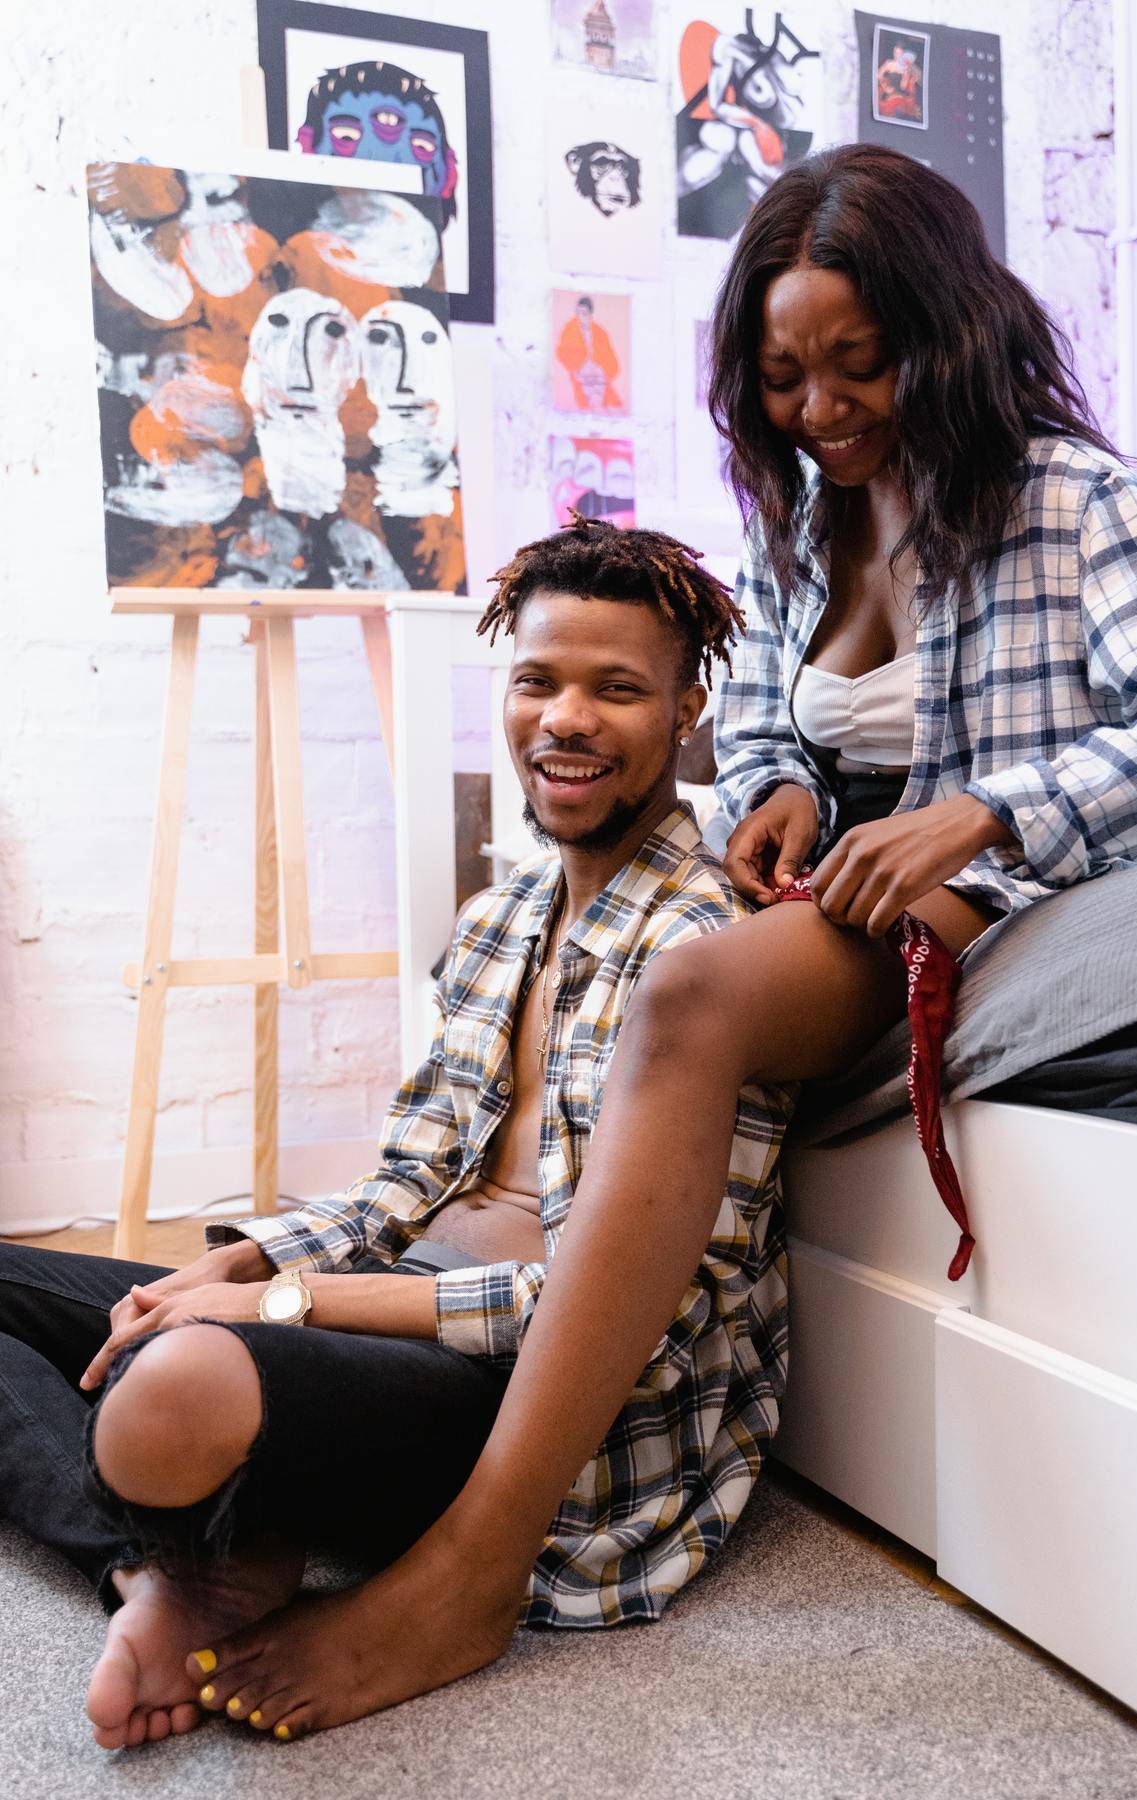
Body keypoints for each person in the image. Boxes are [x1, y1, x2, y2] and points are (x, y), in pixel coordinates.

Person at [182, 139, 1137, 1733]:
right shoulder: (811, 514)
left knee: (693, 987)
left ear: (953, 333)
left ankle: (477, 1560)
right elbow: (801, 726)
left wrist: (991, 814)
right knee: (640, 962)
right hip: (851, 885)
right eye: (788, 375)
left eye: (863, 365)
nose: (825, 408)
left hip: (995, 888)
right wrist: (780, 787)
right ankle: (439, 1346)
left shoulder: (1070, 498)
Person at [0, 518, 795, 1749]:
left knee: (169, 1401)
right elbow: (407, 1183)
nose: (567, 719)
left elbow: (644, 1308)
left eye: (618, 689)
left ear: (688, 711)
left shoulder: (717, 958)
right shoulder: (499, 920)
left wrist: (282, 1312)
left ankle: (221, 1527)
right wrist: (251, 1261)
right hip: (385, 1314)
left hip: (528, 1403)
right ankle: (154, 1574)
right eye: (538, 680)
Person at [554, 296, 624, 413]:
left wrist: (606, 372)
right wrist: (574, 367)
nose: (580, 316)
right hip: (581, 372)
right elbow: (561, 351)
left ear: (590, 315)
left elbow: (610, 355)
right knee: (588, 405)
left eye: (584, 313)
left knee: (613, 407)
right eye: (578, 313)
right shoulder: (569, 328)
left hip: (598, 373)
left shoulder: (600, 332)